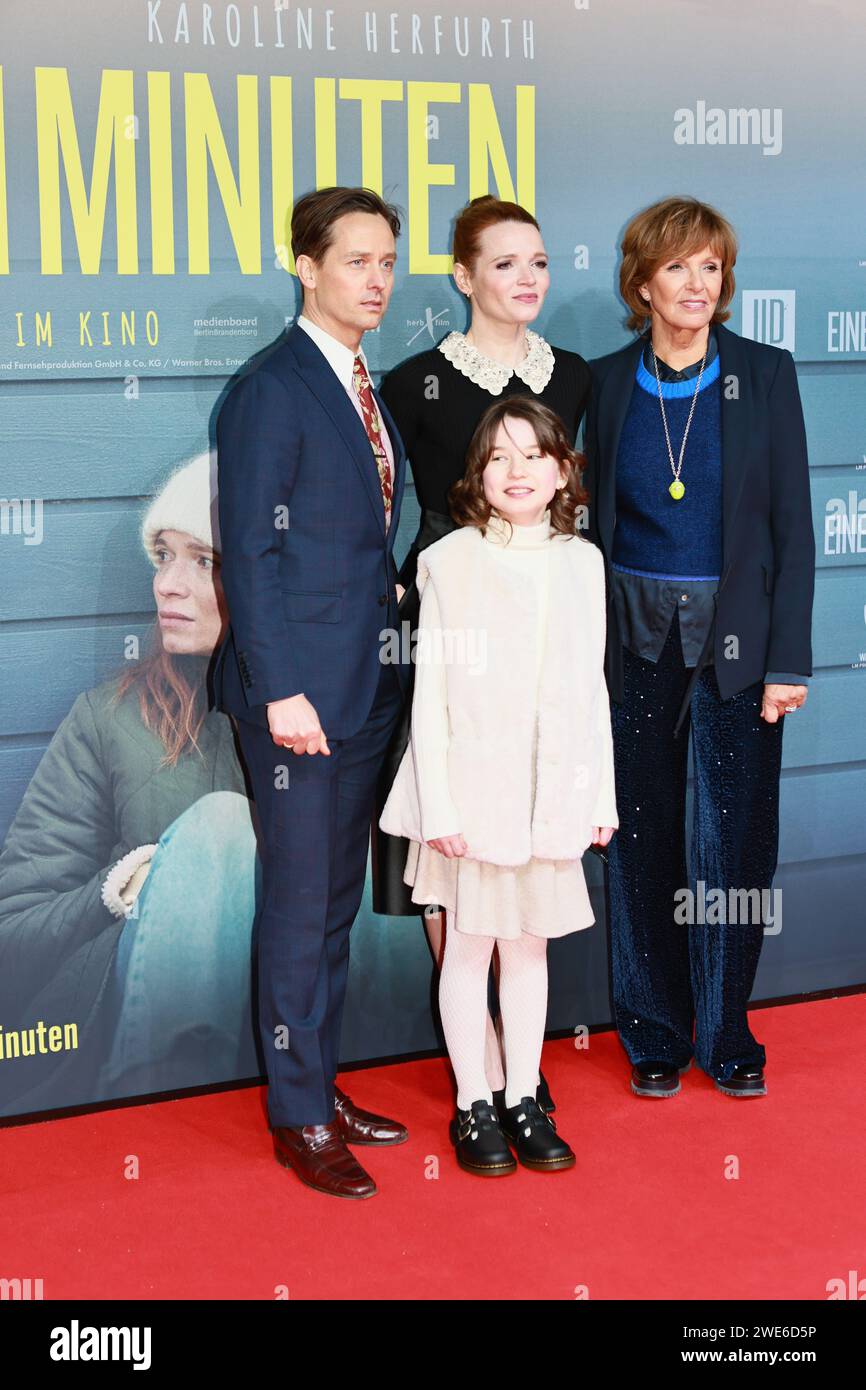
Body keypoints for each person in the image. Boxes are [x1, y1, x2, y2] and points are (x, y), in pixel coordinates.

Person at [581, 195, 815, 1099]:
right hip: (630, 642)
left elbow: (793, 526)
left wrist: (787, 661)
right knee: (638, 839)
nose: (695, 283)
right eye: (676, 267)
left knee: (734, 841)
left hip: (739, 645)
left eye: (710, 267)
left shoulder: (766, 373)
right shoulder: (603, 382)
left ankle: (725, 1031)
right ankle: (650, 1033)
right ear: (641, 283)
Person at [372, 194, 592, 1116]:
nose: (527, 279)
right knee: (450, 840)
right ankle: (485, 1062)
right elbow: (387, 505)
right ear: (464, 277)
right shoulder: (415, 377)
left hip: (536, 614)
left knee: (521, 847)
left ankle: (519, 1068)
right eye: (504, 264)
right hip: (444, 613)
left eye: (538, 262)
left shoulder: (574, 375)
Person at [213, 186, 412, 1201]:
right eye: (355, 261)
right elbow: (246, 554)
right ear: (306, 266)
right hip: (297, 696)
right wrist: (280, 689)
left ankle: (320, 1087)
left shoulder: (357, 381)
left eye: (387, 262)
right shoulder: (270, 388)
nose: (376, 280)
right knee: (298, 910)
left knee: (332, 904)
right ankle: (297, 1115)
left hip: (365, 684)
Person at [380, 397, 618, 1175]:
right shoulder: (449, 563)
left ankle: (522, 1095)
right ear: (478, 476)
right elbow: (432, 696)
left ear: (562, 471)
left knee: (528, 951)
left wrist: (601, 796)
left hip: (551, 795)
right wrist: (439, 806)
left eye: (534, 456)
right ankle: (471, 1103)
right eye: (499, 458)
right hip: (473, 798)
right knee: (468, 950)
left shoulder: (584, 563)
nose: (518, 472)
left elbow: (593, 692)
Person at [0, 451, 259, 1118]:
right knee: (221, 827)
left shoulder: (328, 718)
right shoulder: (107, 720)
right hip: (128, 1045)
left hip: (291, 1035)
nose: (167, 584)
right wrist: (116, 893)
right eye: (164, 556)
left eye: (203, 561)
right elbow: (13, 937)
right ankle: (176, 1117)